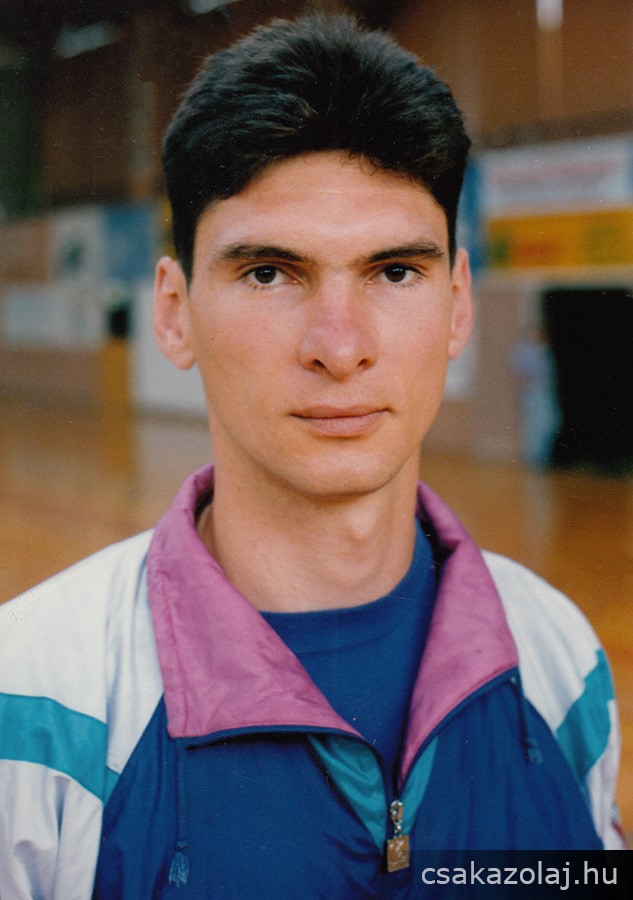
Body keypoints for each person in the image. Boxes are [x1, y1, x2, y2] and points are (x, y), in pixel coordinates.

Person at [0, 13, 625, 898]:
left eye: (394, 272)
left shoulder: (559, 658)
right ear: (174, 313)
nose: (339, 347)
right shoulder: (31, 705)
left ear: (457, 306)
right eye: (269, 273)